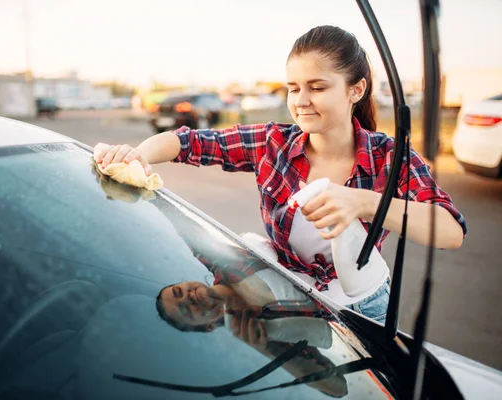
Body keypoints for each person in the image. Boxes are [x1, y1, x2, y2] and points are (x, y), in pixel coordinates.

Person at [93, 25, 467, 323]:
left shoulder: (389, 156)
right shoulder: (273, 142)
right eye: (293, 88)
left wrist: (365, 203)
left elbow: (449, 230)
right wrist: (138, 155)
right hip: (292, 300)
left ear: (356, 89)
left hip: (364, 305)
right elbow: (187, 142)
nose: (301, 101)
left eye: (317, 87)